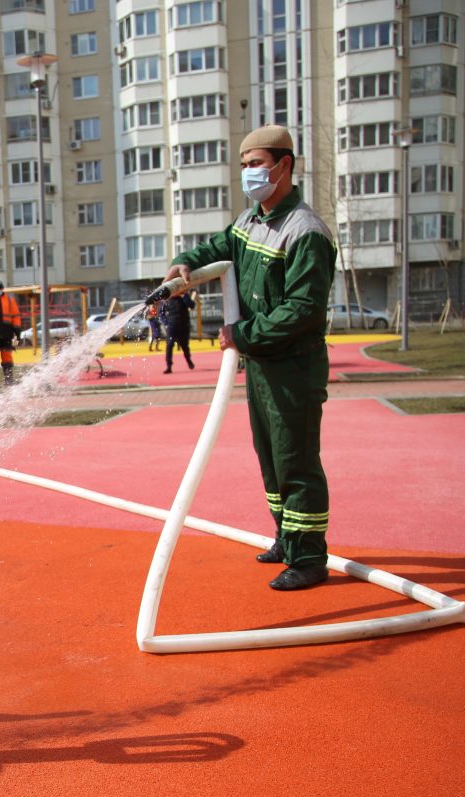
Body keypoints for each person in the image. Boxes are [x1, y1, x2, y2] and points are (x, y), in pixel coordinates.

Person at [161, 124, 336, 592]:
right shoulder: (251, 221)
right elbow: (220, 248)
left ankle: (309, 557)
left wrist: (241, 333)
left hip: (292, 368)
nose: (249, 173)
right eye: (244, 166)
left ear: (284, 165)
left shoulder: (305, 232)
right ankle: (286, 535)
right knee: (271, 456)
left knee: (296, 459)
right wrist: (185, 264)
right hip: (262, 364)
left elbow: (301, 310)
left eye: (256, 164)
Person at [159, 290, 195, 374]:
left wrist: (184, 296)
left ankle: (188, 359)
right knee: (170, 344)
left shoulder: (184, 297)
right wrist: (165, 323)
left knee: (184, 345)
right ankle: (169, 366)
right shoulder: (167, 300)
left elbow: (192, 305)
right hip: (172, 326)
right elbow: (161, 313)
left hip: (184, 326)